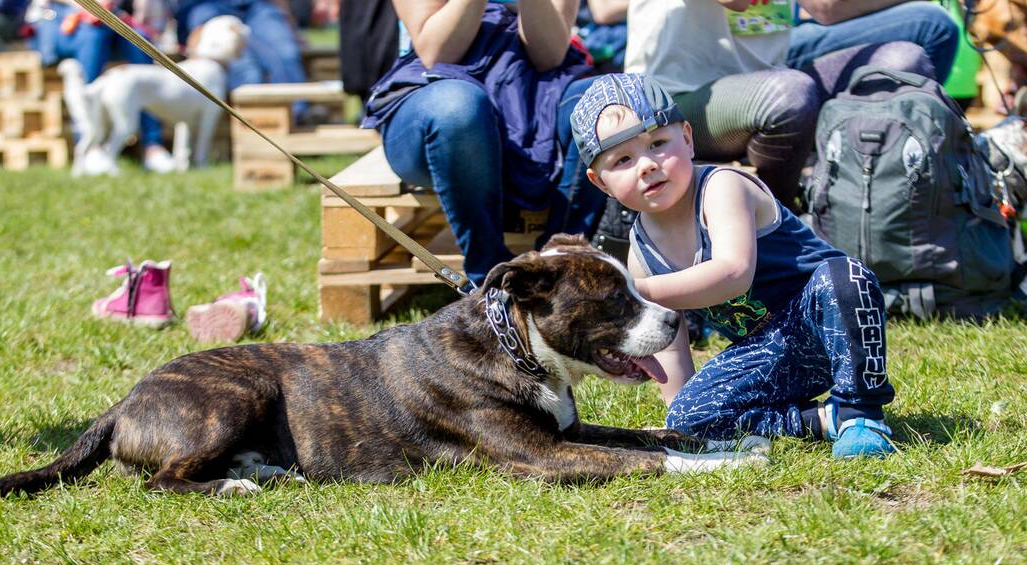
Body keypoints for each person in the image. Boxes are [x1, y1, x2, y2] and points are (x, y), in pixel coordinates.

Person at [573, 73, 897, 457]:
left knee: (844, 275)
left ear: (689, 139)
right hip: (771, 351)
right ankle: (823, 420)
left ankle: (861, 410)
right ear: (601, 183)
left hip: (831, 320)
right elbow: (669, 338)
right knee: (687, 417)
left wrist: (637, 292)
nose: (646, 165)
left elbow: (733, 273)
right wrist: (682, 409)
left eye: (658, 144)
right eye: (623, 159)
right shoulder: (641, 250)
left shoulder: (721, 187)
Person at [624, 0, 959, 206]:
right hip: (674, 102)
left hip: (767, 78)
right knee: (790, 95)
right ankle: (780, 228)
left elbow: (828, 7)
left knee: (906, 57)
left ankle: (878, 206)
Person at [361, 0, 598, 286]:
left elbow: (549, 54)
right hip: (438, 100)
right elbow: (438, 52)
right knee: (459, 109)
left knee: (598, 102)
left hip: (536, 96)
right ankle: (490, 280)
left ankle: (561, 270)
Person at [27, 0, 176, 172]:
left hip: (108, 19)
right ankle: (91, 146)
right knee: (92, 39)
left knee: (139, 42)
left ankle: (152, 145)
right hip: (60, 19)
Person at [170, 0, 310, 120]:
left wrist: (291, 26)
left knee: (285, 52)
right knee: (245, 69)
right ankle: (254, 129)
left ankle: (299, 115)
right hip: (206, 6)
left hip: (256, 6)